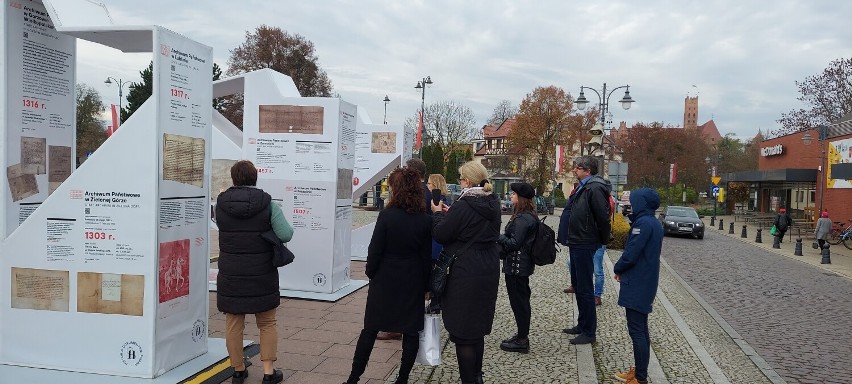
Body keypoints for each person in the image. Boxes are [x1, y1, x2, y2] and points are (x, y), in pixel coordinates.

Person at [344, 167, 433, 384]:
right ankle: (402, 378)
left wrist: (371, 273)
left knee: (370, 329)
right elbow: (425, 256)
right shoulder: (424, 219)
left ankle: (354, 378)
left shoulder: (387, 216)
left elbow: (375, 250)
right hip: (412, 278)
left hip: (385, 278)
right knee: (411, 332)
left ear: (396, 189)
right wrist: (426, 285)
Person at [216, 160, 293, 384]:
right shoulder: (268, 204)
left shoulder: (221, 204)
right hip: (262, 272)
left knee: (233, 321)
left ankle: (238, 370)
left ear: (233, 178)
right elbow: (286, 234)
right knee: (267, 322)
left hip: (231, 272)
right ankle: (269, 372)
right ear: (255, 177)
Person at [431, 161, 502, 384]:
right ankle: (477, 377)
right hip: (488, 267)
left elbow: (442, 234)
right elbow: (475, 225)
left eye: (461, 179)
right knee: (477, 328)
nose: (459, 182)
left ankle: (468, 381)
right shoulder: (493, 202)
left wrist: (438, 215)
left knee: (462, 332)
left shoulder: (464, 204)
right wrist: (452, 214)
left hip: (465, 269)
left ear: (468, 181)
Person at [612, 188, 664, 384]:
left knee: (637, 331)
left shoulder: (642, 224)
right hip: (644, 281)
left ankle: (640, 378)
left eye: (633, 201)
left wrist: (618, 268)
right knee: (641, 329)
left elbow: (632, 253)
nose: (630, 204)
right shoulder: (652, 222)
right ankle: (639, 370)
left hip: (638, 282)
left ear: (642, 203)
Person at [558, 156, 611, 345]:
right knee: (579, 286)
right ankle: (582, 324)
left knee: (586, 288)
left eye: (578, 168)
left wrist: (602, 240)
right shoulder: (585, 186)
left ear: (587, 170)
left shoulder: (594, 187)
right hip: (577, 240)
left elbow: (602, 217)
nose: (574, 170)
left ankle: (589, 331)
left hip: (585, 241)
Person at [497, 182, 538, 354]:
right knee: (520, 301)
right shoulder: (526, 216)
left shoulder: (523, 219)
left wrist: (498, 237)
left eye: (513, 194)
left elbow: (514, 243)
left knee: (519, 303)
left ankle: (522, 340)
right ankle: (521, 335)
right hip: (519, 266)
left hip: (517, 267)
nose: (511, 196)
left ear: (520, 198)